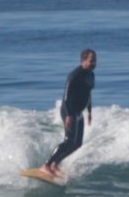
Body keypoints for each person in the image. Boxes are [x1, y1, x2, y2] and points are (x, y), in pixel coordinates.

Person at [41, 49, 96, 177]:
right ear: (83, 61)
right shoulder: (75, 75)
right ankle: (46, 165)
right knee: (68, 141)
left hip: (79, 112)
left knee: (77, 143)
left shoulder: (91, 75)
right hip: (69, 111)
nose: (94, 63)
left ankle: (55, 165)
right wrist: (68, 115)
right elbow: (65, 97)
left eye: (95, 60)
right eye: (91, 60)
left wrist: (89, 111)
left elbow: (88, 94)